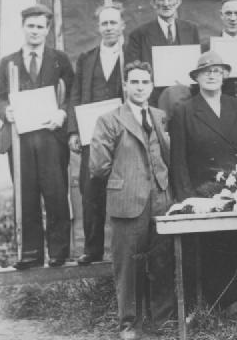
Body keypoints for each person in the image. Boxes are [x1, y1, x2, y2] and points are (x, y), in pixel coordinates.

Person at [169, 50, 237, 314]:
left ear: (224, 75)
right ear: (197, 77)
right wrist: (187, 199)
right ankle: (219, 302)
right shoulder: (184, 111)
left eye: (217, 70)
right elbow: (178, 162)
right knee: (213, 247)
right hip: (204, 195)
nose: (212, 75)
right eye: (206, 71)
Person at [89, 61, 175, 339]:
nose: (139, 87)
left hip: (161, 199)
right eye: (134, 82)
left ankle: (163, 320)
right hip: (127, 201)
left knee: (162, 260)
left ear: (152, 85)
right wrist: (125, 178)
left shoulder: (161, 116)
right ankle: (130, 324)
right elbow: (98, 167)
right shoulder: (109, 119)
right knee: (128, 265)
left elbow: (168, 156)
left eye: (144, 82)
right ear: (125, 86)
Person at [0, 4, 74, 270]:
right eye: (30, 26)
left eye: (40, 27)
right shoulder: (8, 62)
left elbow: (73, 94)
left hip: (50, 137)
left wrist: (62, 114)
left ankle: (58, 252)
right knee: (25, 194)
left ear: (48, 30)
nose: (35, 31)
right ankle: (30, 253)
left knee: (55, 193)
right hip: (20, 140)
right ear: (23, 27)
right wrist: (5, 111)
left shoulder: (60, 59)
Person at [67, 3, 125, 265]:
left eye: (114, 22)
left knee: (123, 189)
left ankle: (123, 250)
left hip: (124, 134)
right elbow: (75, 95)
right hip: (92, 134)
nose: (109, 28)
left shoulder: (130, 55)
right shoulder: (87, 58)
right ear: (98, 27)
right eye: (105, 23)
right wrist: (73, 131)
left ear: (122, 25)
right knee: (91, 192)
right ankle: (93, 250)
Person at [125, 0, 201, 105]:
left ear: (178, 2)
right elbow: (133, 72)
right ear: (153, 3)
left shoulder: (191, 30)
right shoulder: (139, 35)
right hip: (154, 102)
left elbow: (197, 67)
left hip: (186, 101)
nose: (166, 4)